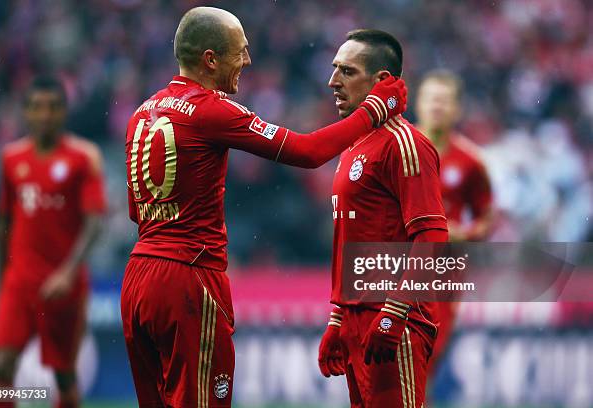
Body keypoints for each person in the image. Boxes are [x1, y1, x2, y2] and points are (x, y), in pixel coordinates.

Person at [120, 7, 407, 408]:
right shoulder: (210, 110)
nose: (248, 61)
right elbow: (309, 152)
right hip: (188, 277)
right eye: (241, 52)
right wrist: (373, 110)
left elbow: (138, 212)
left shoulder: (141, 113)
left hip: (137, 278)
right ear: (210, 60)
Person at [317, 29, 448, 408]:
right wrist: (339, 317)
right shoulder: (354, 145)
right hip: (358, 320)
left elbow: (433, 237)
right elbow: (350, 240)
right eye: (334, 69)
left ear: (382, 82)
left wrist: (394, 311)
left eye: (347, 71)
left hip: (395, 320)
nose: (333, 81)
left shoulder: (406, 144)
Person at [0, 76, 106, 408]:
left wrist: (68, 272)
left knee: (64, 375)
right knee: (2, 367)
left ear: (64, 112)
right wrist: (4, 282)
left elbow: (95, 222)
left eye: (53, 107)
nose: (45, 115)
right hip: (20, 282)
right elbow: (4, 223)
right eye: (37, 107)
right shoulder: (11, 158)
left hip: (63, 286)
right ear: (25, 112)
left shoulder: (83, 158)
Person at [415, 69, 493, 379]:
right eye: (431, 99)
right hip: (394, 269)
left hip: (443, 279)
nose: (437, 107)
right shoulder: (395, 150)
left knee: (425, 361)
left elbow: (485, 220)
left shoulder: (472, 162)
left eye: (444, 101)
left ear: (456, 109)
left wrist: (462, 234)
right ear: (418, 104)